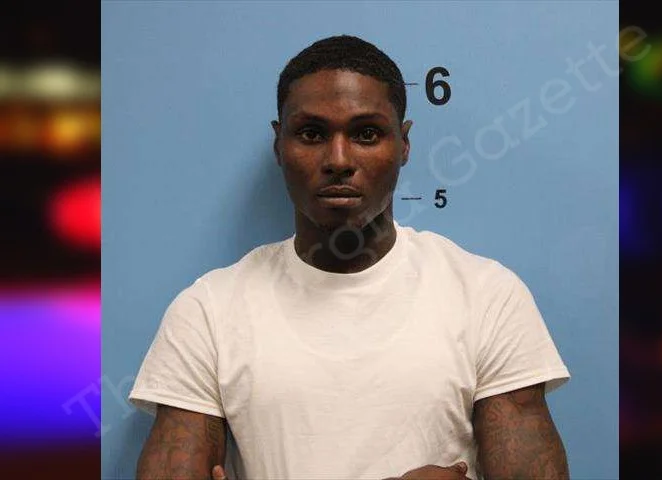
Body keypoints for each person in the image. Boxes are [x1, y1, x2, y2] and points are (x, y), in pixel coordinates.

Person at [129, 34, 571, 480]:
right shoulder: (208, 311)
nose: (338, 159)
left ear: (404, 144)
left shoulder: (487, 297)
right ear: (279, 144)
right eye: (311, 133)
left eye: (366, 134)